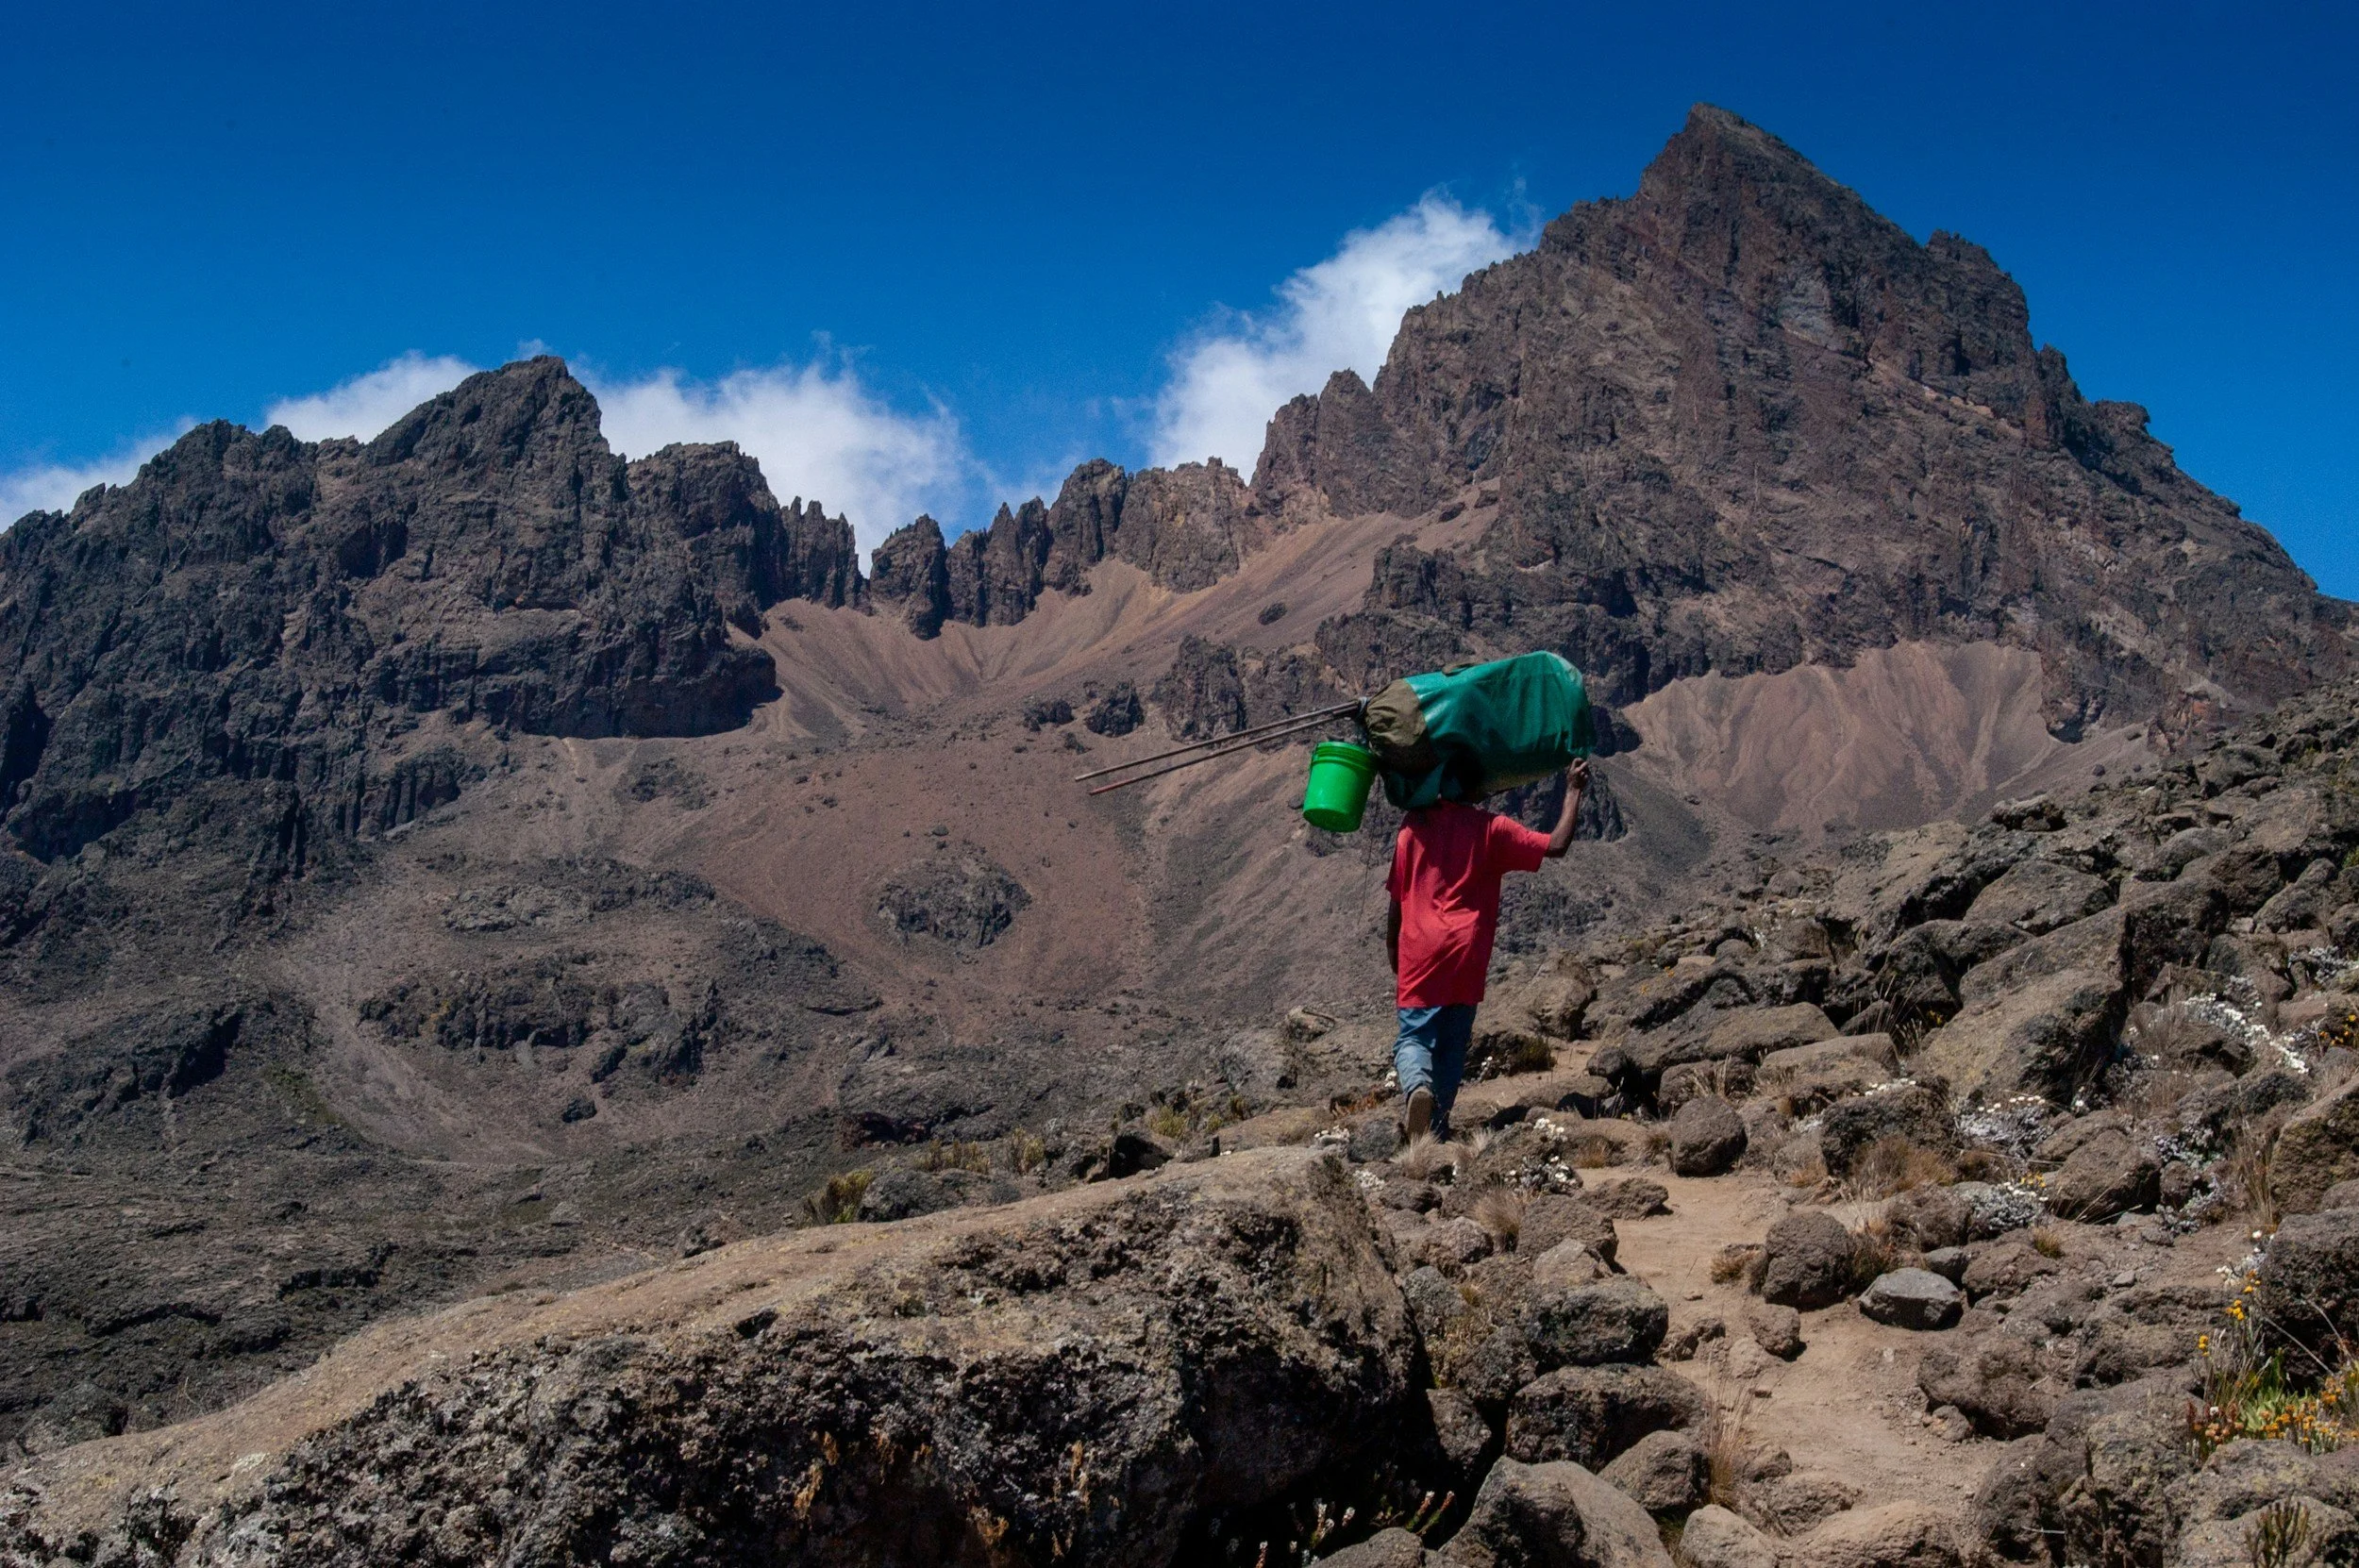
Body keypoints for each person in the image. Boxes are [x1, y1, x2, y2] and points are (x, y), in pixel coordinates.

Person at [1385, 759, 1590, 1141]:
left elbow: (1397, 901)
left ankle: (1418, 1090)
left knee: (1413, 1038)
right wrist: (1574, 790)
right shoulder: (1491, 829)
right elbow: (1556, 845)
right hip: (1467, 953)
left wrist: (1392, 951)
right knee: (1452, 1044)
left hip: (1419, 952)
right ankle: (1438, 1129)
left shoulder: (1413, 827)